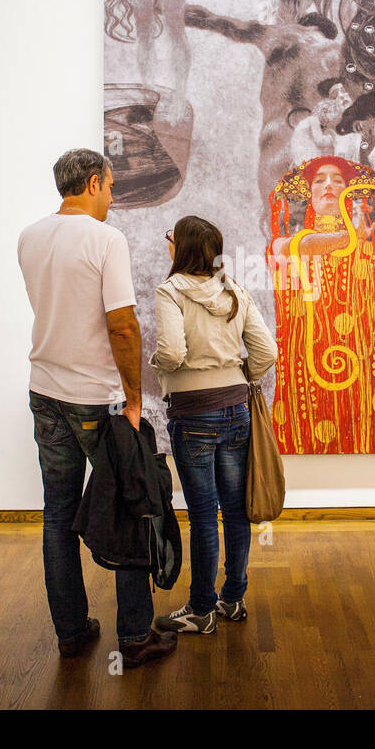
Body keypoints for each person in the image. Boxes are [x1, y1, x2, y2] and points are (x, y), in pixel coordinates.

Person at [17, 148, 176, 667]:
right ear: (92, 183)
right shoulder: (107, 240)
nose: (111, 196)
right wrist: (133, 398)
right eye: (109, 186)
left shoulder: (30, 237)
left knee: (58, 514)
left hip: (45, 391)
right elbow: (123, 323)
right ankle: (133, 636)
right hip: (98, 401)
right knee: (133, 503)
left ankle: (70, 630)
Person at [149, 216, 277, 633]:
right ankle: (233, 599)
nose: (168, 243)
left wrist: (162, 368)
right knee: (236, 511)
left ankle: (201, 610)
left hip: (193, 413)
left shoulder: (170, 292)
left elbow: (170, 353)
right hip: (236, 409)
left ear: (180, 247)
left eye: (171, 237)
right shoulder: (234, 290)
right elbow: (266, 352)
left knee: (204, 515)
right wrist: (239, 376)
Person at [269, 155, 375, 453]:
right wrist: (352, 236)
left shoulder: (367, 248)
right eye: (319, 180)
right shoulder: (285, 243)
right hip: (307, 370)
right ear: (310, 193)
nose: (328, 185)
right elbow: (308, 246)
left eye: (337, 180)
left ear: (347, 190)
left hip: (363, 370)